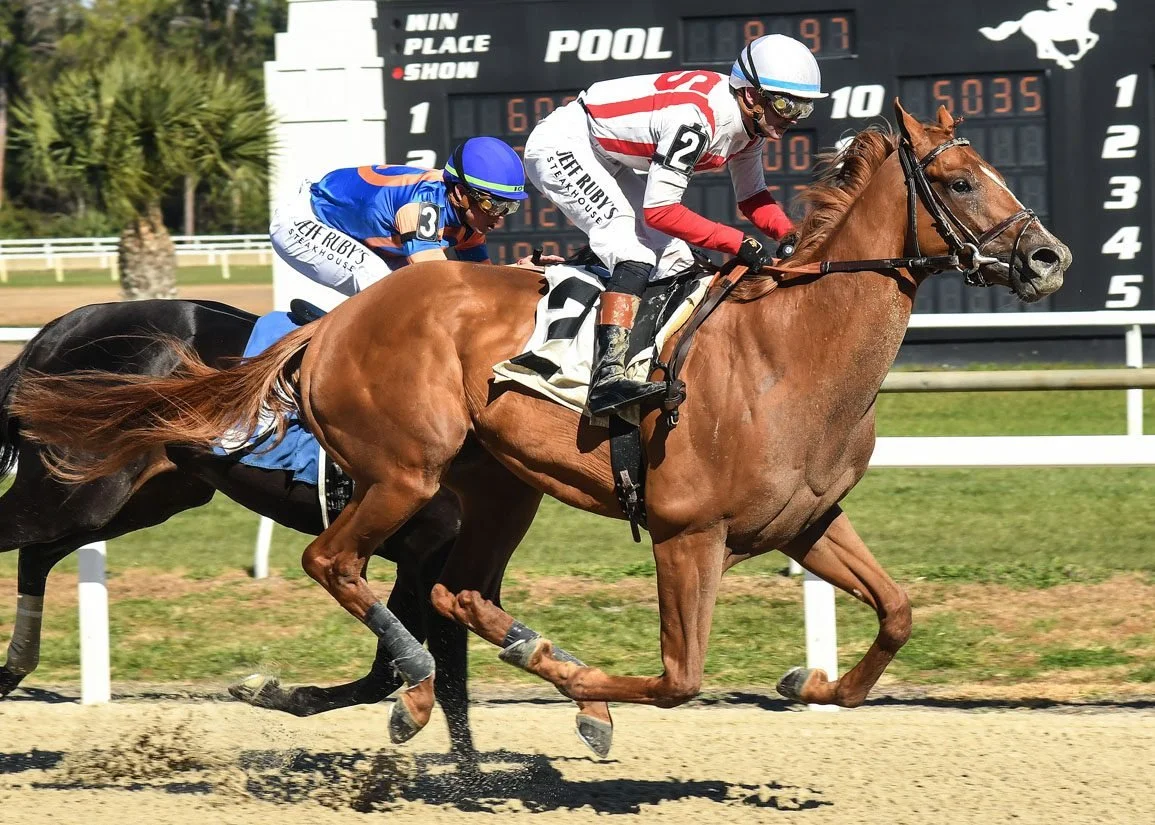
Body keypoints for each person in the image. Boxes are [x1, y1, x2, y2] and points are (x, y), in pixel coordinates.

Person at [523, 34, 827, 416]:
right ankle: (606, 377)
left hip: (606, 154)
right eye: (786, 104)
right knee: (632, 251)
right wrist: (735, 242)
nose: (792, 119)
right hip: (566, 143)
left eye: (804, 109)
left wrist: (792, 235)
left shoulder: (752, 125)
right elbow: (661, 212)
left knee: (677, 261)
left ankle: (639, 362)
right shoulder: (699, 120)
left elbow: (753, 198)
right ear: (751, 95)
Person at [270, 136, 531, 297]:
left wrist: (521, 272)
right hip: (304, 221)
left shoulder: (470, 219)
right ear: (461, 193)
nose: (498, 218)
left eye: (508, 207)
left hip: (352, 231)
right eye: (492, 205)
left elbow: (482, 278)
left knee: (406, 290)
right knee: (385, 284)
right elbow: (440, 278)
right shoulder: (423, 204)